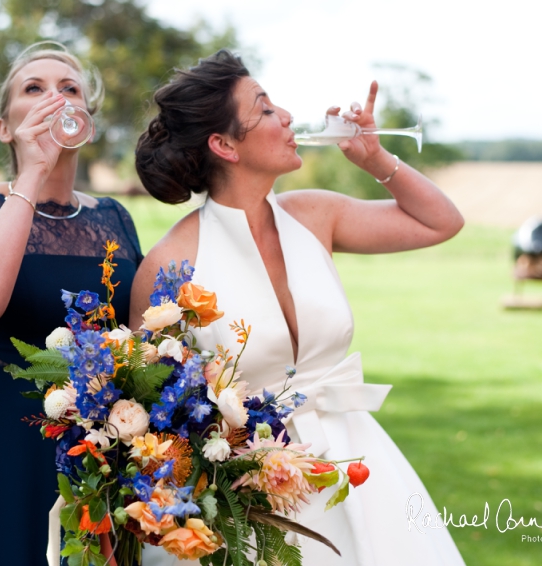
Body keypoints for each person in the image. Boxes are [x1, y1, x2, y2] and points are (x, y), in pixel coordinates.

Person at [129, 50, 466, 565]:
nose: (286, 116)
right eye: (264, 109)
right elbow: (153, 421)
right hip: (255, 502)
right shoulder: (170, 265)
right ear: (224, 144)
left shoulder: (314, 214)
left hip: (359, 464)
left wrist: (376, 159)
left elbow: (441, 222)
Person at [0, 43, 142, 566]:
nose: (54, 98)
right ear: (5, 127)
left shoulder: (113, 218)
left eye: (70, 89)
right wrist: (33, 175)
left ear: (85, 119)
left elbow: (140, 340)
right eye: (33, 88)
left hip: (99, 459)